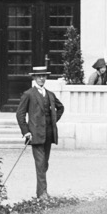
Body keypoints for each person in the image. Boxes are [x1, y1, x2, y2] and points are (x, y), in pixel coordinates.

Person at [15, 65, 66, 199]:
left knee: (44, 163)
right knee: (40, 163)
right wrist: (26, 132)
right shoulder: (28, 94)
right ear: (34, 78)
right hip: (35, 135)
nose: (41, 78)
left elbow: (61, 108)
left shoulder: (50, 94)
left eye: (44, 76)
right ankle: (42, 193)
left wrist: (53, 121)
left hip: (49, 134)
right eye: (39, 76)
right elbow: (20, 114)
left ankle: (40, 191)